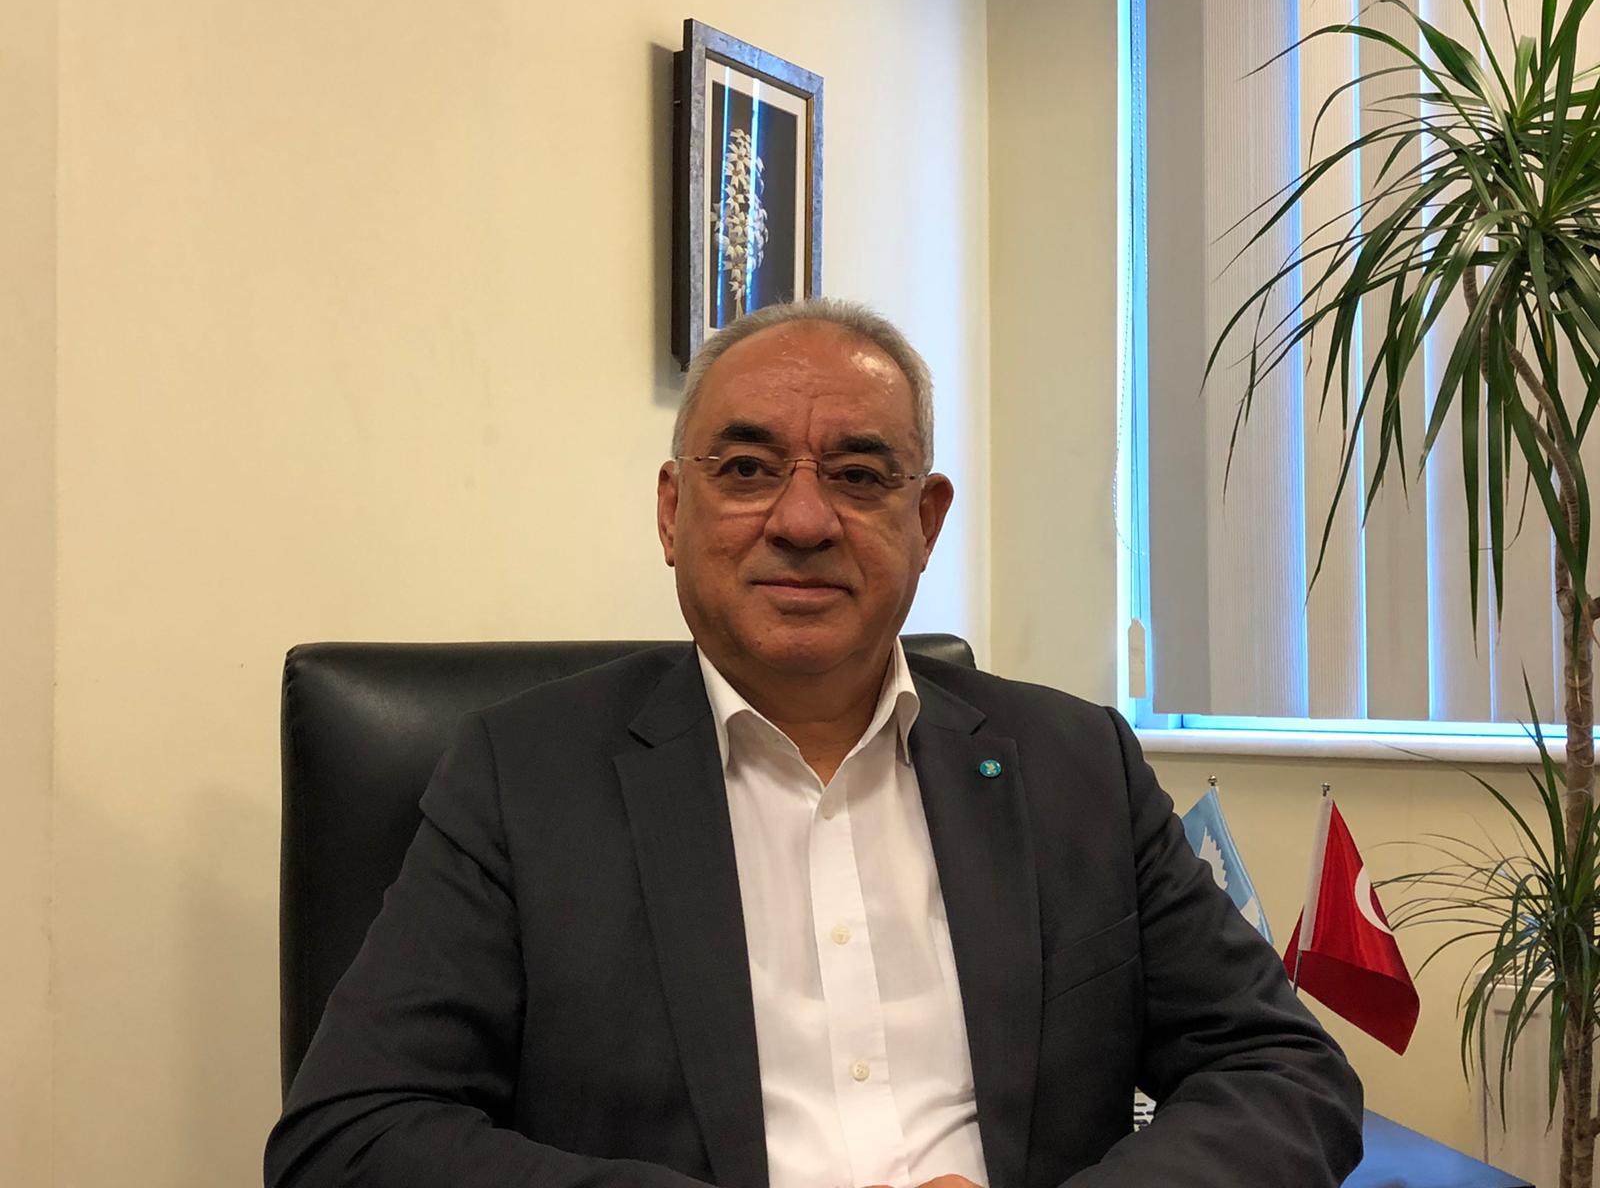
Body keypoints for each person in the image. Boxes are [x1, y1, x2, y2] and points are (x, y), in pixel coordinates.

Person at [265, 298, 1363, 1188]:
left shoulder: (1074, 764)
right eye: (746, 470)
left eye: (858, 474)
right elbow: (350, 1136)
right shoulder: (522, 776)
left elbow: (1282, 1070)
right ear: (672, 512)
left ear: (924, 522)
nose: (801, 520)